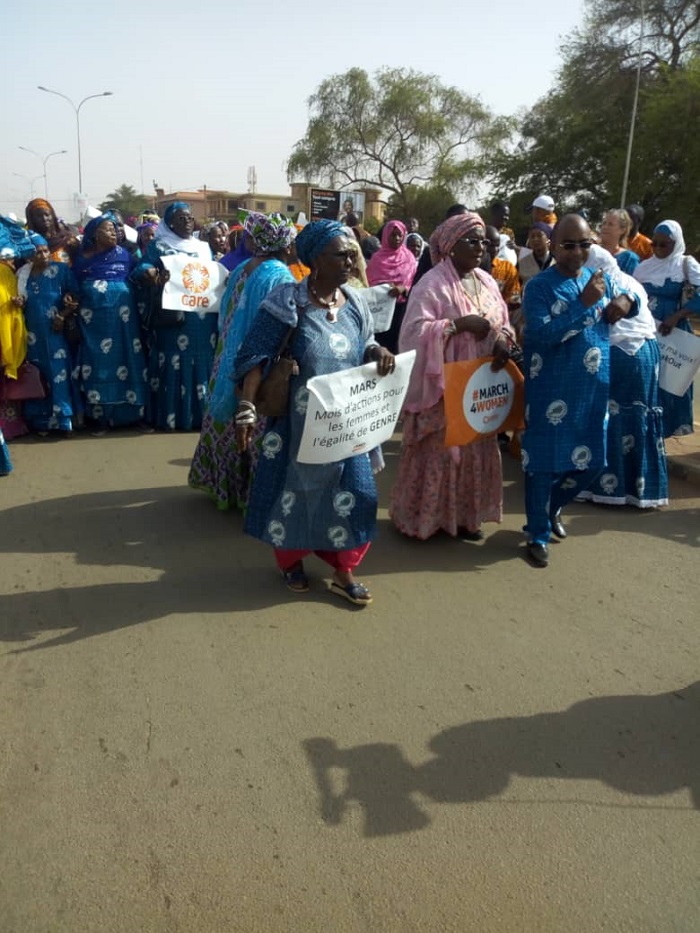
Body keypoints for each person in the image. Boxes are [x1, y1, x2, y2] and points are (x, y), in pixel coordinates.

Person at [233, 220, 394, 606]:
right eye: (340, 254)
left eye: (352, 254)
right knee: (296, 493)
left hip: (348, 425)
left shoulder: (354, 301)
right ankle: (291, 562)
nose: (351, 261)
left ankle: (343, 570)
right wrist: (246, 408)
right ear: (315, 260)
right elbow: (254, 358)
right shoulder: (287, 301)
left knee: (356, 492)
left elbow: (367, 340)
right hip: (297, 426)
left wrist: (377, 353)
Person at [520, 214, 638, 567]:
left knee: (592, 463)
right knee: (542, 465)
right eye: (569, 245)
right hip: (550, 391)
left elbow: (634, 295)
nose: (577, 252)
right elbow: (540, 335)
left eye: (585, 245)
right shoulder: (539, 287)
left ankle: (553, 507)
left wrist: (626, 303)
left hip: (592, 391)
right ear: (554, 246)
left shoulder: (596, 278)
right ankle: (537, 533)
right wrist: (583, 304)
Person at [390, 212, 514, 541]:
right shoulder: (431, 284)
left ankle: (465, 519)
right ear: (449, 245)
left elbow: (503, 319)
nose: (480, 247)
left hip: (480, 386)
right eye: (471, 241)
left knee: (474, 451)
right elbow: (412, 334)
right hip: (444, 388)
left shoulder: (486, 280)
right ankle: (427, 520)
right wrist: (457, 326)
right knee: (441, 453)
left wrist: (504, 339)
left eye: (483, 242)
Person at [189, 213, 297, 511]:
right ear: (284, 242)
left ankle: (225, 487)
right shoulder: (279, 275)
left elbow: (225, 316)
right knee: (256, 421)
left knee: (229, 421)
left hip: (229, 356)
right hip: (258, 362)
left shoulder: (241, 269)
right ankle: (254, 492)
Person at [574, 245, 667, 508]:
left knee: (608, 417)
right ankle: (640, 490)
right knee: (639, 418)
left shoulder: (593, 284)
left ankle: (604, 488)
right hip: (647, 355)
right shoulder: (631, 282)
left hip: (616, 355)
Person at [134, 201, 216, 431]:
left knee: (202, 361)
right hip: (174, 316)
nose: (187, 221)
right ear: (169, 223)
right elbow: (140, 269)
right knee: (173, 361)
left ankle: (201, 417)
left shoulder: (203, 247)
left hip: (202, 317)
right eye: (181, 218)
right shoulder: (159, 246)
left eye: (190, 217)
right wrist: (151, 273)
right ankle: (172, 417)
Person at [73, 215, 148, 434]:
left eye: (116, 229)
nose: (115, 232)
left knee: (131, 363)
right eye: (108, 229)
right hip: (94, 329)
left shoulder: (126, 256)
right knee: (99, 368)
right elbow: (72, 290)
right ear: (95, 234)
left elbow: (139, 279)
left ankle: (133, 416)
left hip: (125, 328)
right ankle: (100, 419)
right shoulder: (82, 262)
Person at [634, 219, 700, 437]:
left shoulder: (685, 265)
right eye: (655, 244)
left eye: (664, 245)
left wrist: (676, 316)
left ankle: (671, 428)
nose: (659, 249)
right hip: (648, 331)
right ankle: (650, 428)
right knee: (650, 378)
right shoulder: (644, 267)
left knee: (672, 382)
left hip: (675, 331)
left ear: (676, 243)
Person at [16, 235, 80, 436]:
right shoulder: (22, 277)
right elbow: (20, 302)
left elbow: (75, 295)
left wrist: (63, 314)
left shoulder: (61, 270)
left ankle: (64, 421)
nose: (43, 255)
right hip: (32, 335)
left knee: (58, 374)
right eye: (38, 252)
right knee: (37, 375)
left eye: (45, 250)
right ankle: (42, 421)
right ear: (28, 256)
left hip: (55, 332)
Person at [366, 220, 418, 352]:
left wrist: (403, 289)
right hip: (381, 312)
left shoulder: (409, 258)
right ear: (385, 236)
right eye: (393, 235)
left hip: (403, 312)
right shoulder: (376, 259)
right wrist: (382, 287)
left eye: (399, 235)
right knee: (382, 349)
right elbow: (368, 283)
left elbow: (416, 284)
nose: (397, 238)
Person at [25, 198, 79, 265]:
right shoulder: (27, 245)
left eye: (47, 215)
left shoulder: (67, 240)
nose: (44, 219)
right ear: (32, 220)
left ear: (52, 216)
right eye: (39, 216)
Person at [485, 226, 521, 309]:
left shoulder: (507, 268)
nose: (494, 249)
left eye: (497, 245)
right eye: (489, 244)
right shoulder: (468, 268)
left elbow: (515, 300)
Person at [599, 209, 640, 275]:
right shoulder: (591, 251)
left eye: (610, 224)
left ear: (622, 230)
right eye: (604, 223)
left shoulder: (629, 259)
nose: (605, 227)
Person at [518, 222, 554, 290]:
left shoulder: (558, 261)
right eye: (532, 236)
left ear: (548, 239)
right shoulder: (522, 263)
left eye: (539, 236)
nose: (535, 239)